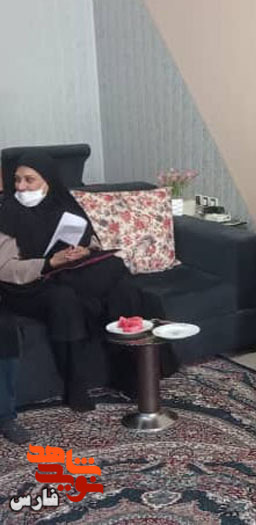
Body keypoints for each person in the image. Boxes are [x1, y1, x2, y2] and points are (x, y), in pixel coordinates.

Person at [0, 152, 144, 441]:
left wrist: (84, 251)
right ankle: (77, 385)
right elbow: (5, 268)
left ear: (48, 181)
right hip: (25, 285)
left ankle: (130, 373)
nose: (22, 187)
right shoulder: (7, 213)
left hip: (65, 273)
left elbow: (92, 241)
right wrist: (49, 263)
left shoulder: (65, 204)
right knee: (63, 299)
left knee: (121, 287)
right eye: (17, 180)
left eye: (29, 180)